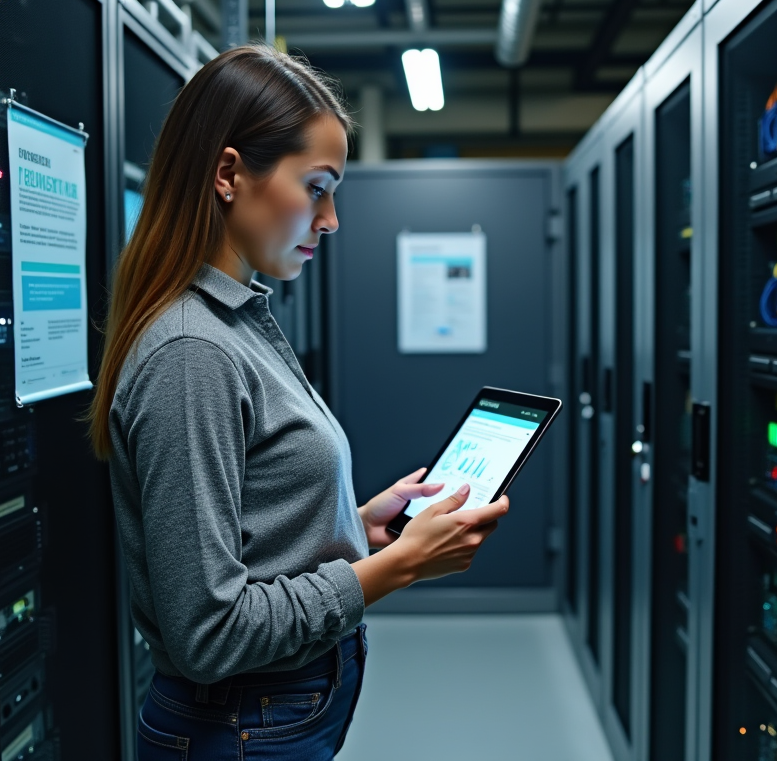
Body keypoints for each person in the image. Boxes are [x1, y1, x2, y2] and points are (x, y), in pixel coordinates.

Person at [88, 44, 509, 760]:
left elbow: (253, 517)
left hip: (272, 714)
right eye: (316, 187)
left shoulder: (235, 321)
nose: (332, 219)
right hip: (240, 724)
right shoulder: (194, 352)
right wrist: (396, 566)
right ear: (229, 175)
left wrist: (349, 525)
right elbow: (209, 634)